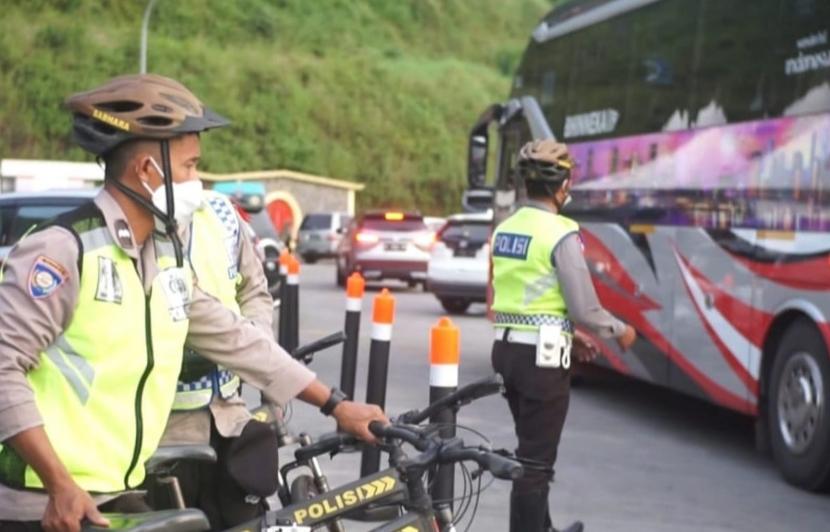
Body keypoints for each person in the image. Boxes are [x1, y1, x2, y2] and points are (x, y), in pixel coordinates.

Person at [0, 73, 385, 532]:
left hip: (113, 494)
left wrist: (336, 404)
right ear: (147, 170)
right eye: (189, 166)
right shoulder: (64, 249)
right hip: (44, 504)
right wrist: (59, 484)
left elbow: (238, 340)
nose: (196, 183)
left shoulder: (163, 257)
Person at [490, 139, 637, 532]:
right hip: (540, 363)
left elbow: (524, 299)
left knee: (530, 449)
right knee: (535, 464)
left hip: (506, 352)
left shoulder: (506, 229)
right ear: (563, 185)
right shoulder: (560, 232)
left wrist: (567, 337)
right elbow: (584, 308)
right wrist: (621, 331)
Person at [154, 185, 282, 527]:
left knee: (244, 519)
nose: (191, 175)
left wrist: (255, 347)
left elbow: (254, 290)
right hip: (162, 428)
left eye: (194, 163)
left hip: (228, 415)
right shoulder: (136, 216)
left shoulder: (221, 213)